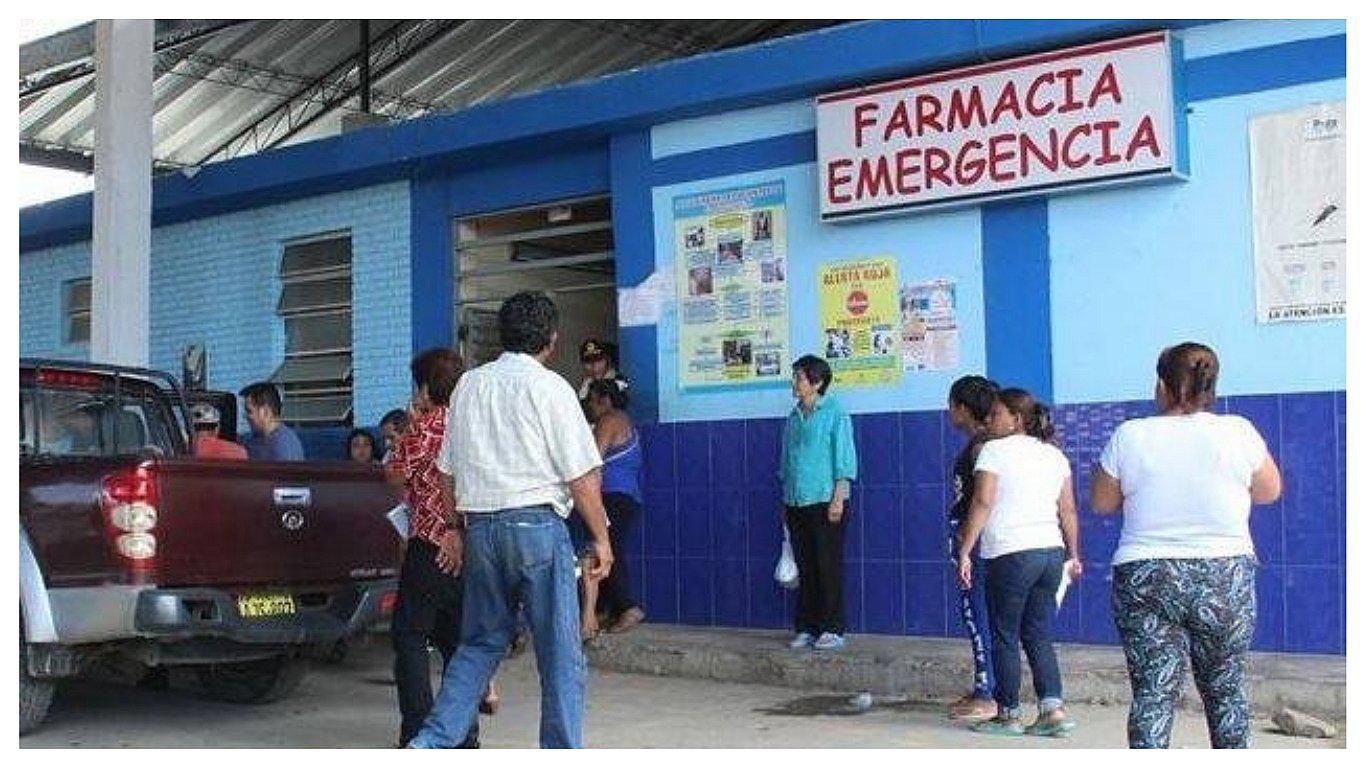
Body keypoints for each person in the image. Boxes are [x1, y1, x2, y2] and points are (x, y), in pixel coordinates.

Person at [407, 291, 612, 750]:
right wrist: (602, 537)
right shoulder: (551, 387)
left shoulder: (470, 386)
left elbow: (447, 472)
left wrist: (455, 531)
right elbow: (580, 478)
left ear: (503, 335)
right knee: (560, 655)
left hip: (481, 530)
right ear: (552, 339)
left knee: (479, 646)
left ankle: (428, 746)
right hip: (537, 530)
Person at [1091, 343, 1282, 749]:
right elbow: (1269, 491)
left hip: (1146, 575)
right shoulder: (1238, 431)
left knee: (1153, 692)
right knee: (1226, 689)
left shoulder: (1130, 435)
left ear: (1161, 384)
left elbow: (1102, 503)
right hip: (1224, 575)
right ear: (1211, 386)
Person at [957, 388, 1081, 737]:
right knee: (1038, 633)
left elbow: (982, 502)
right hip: (1050, 553)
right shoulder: (1053, 455)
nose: (991, 420)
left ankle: (1008, 713)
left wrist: (965, 549)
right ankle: (1052, 711)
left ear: (1017, 419)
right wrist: (1074, 553)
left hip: (1010, 553)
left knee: (1004, 634)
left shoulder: (992, 451)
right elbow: (1068, 509)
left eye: (997, 414)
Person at [384, 348, 481, 749]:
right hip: (471, 547)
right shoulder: (474, 424)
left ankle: (419, 730)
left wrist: (410, 425)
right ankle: (465, 732)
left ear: (424, 387)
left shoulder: (424, 428)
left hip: (430, 545)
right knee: (458, 640)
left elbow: (394, 476)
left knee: (409, 635)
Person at [779, 354, 858, 652]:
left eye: (800, 377)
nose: (795, 383)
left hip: (827, 501)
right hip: (796, 501)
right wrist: (784, 502)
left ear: (818, 382)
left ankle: (832, 628)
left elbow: (844, 459)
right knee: (806, 567)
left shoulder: (835, 412)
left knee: (827, 566)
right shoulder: (794, 417)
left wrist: (839, 496)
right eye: (795, 377)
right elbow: (786, 462)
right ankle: (807, 628)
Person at [944, 375, 999, 721]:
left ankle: (987, 693)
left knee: (975, 614)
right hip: (974, 539)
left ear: (963, 409)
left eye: (951, 405)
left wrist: (966, 542)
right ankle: (986, 686)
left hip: (974, 541)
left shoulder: (982, 448)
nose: (948, 412)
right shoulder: (982, 444)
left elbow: (984, 499)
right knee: (981, 614)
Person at [583, 378, 646, 636]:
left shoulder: (609, 420)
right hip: (624, 497)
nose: (589, 407)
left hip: (613, 498)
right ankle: (608, 609)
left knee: (607, 550)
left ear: (605, 401)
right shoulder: (623, 420)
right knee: (608, 550)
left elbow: (591, 458)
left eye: (592, 401)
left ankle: (628, 607)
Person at [239, 382, 305, 461]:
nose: (245, 416)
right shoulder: (250, 439)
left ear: (266, 412)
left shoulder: (283, 447)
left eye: (249, 411)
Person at [576, 338, 619, 403]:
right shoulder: (587, 384)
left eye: (599, 360)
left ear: (608, 360)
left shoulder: (618, 382)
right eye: (588, 361)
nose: (594, 366)